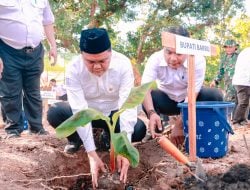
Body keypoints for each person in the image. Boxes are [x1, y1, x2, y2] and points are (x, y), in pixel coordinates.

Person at [47, 28, 146, 188]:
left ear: (111, 53)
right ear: (82, 56)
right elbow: (79, 111)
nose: (97, 67)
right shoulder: (74, 68)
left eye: (102, 61)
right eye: (91, 62)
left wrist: (124, 148)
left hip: (113, 115)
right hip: (88, 114)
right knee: (55, 112)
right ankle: (76, 139)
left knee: (139, 128)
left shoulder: (123, 64)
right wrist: (91, 154)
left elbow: (127, 106)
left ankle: (109, 137)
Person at [141, 26, 223, 146]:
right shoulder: (154, 59)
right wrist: (151, 112)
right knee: (149, 98)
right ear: (163, 48)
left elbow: (192, 94)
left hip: (191, 100)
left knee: (214, 95)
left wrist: (180, 125)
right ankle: (158, 133)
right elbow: (144, 89)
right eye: (168, 52)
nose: (173, 59)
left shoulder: (197, 60)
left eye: (179, 53)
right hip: (167, 101)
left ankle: (204, 132)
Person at [0, 0, 57, 138]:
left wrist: (53, 45)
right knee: (10, 92)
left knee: (34, 92)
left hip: (35, 51)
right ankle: (13, 129)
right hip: (7, 51)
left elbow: (47, 22)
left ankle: (36, 128)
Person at [232, 47, 250, 126]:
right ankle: (236, 121)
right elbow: (248, 68)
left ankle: (243, 120)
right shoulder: (247, 53)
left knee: (242, 102)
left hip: (240, 80)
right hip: (243, 81)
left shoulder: (245, 51)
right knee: (243, 102)